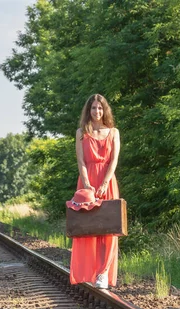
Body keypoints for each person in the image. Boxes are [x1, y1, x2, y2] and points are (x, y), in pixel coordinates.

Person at [69, 94, 121, 289]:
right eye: (93, 108)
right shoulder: (81, 132)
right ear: (88, 111)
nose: (96, 112)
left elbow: (114, 160)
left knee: (109, 228)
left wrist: (105, 182)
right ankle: (90, 270)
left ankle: (104, 273)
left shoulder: (114, 132)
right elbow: (81, 161)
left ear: (104, 110)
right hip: (87, 181)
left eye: (100, 108)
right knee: (88, 226)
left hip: (108, 181)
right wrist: (87, 183)